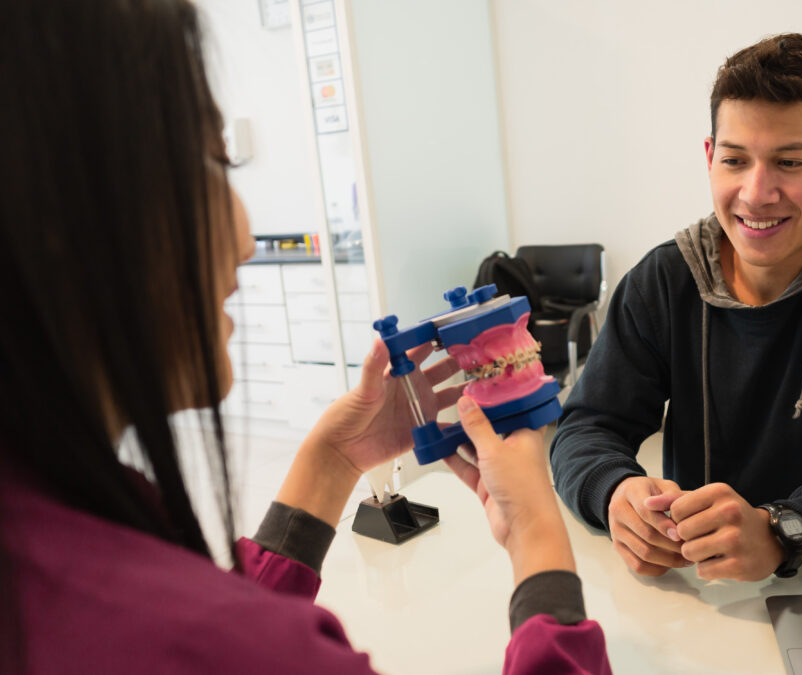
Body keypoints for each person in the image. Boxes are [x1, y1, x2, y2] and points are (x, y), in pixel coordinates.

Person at [0, 2, 610, 673]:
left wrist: (331, 458)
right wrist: (539, 537)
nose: (243, 238)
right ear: (63, 212)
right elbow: (223, 641)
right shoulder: (221, 643)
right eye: (216, 160)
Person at [550, 33, 802, 583]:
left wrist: (787, 529)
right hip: (702, 595)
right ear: (709, 156)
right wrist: (614, 491)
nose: (754, 192)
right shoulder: (664, 280)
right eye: (734, 160)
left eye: (790, 162)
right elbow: (587, 426)